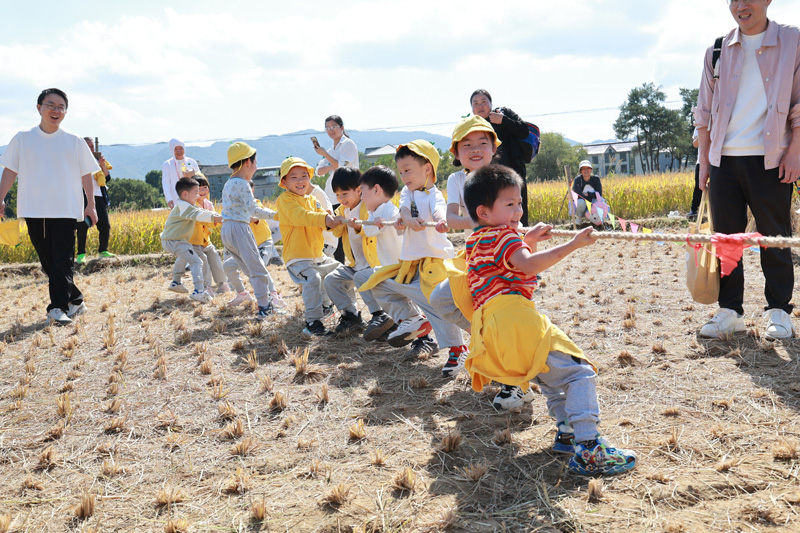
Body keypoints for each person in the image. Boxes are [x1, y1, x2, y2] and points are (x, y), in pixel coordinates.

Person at [462, 164, 636, 476]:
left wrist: (529, 239)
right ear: (484, 211)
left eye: (519, 202)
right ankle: (589, 447)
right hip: (516, 318)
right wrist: (573, 244)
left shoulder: (476, 240)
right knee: (578, 372)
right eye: (510, 204)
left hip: (491, 327)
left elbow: (511, 268)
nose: (518, 209)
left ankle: (568, 433)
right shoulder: (503, 236)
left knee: (550, 380)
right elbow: (527, 266)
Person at [694, 0, 800, 339]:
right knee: (726, 242)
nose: (741, 5)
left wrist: (795, 152)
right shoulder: (717, 50)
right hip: (723, 161)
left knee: (775, 238)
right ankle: (730, 310)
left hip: (771, 159)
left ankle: (780, 311)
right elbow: (703, 112)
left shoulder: (792, 42)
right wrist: (705, 161)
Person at [359, 141, 467, 376]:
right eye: (401, 172)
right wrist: (406, 219)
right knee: (377, 282)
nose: (403, 176)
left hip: (435, 262)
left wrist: (441, 221)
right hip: (410, 264)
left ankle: (458, 349)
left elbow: (440, 210)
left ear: (427, 168)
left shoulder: (434, 195)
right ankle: (413, 320)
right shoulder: (407, 193)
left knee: (438, 305)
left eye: (407, 170)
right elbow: (405, 209)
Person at [0, 88, 100, 326]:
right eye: (51, 105)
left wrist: (91, 205)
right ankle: (75, 298)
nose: (56, 111)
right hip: (34, 209)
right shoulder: (23, 138)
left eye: (61, 107)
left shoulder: (74, 140)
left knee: (62, 259)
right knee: (48, 262)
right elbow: (10, 170)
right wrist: (1, 197)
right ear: (39, 108)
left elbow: (87, 174)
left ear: (65, 111)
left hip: (66, 208)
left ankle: (57, 308)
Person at [275, 157, 342, 335]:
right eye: (294, 177)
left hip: (317, 256)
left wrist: (337, 221)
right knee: (312, 280)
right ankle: (313, 324)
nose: (300, 180)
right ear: (284, 182)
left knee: (342, 273)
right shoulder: (285, 200)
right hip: (298, 257)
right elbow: (301, 216)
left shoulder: (313, 200)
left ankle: (350, 314)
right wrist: (324, 219)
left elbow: (323, 217)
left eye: (304, 176)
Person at [220, 142, 280, 320]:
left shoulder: (229, 183)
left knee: (249, 268)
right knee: (258, 269)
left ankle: (265, 302)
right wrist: (275, 215)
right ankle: (264, 307)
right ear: (247, 162)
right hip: (240, 228)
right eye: (255, 161)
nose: (256, 165)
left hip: (227, 229)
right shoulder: (243, 183)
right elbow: (253, 209)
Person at [323, 167, 378, 336]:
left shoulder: (367, 207)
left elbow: (371, 230)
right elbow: (338, 234)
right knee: (331, 280)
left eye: (344, 193)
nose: (341, 198)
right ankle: (351, 315)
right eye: (337, 195)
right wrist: (337, 223)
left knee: (366, 282)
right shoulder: (341, 210)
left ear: (359, 190)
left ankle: (379, 316)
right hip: (354, 265)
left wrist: (359, 226)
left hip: (372, 264)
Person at [354, 165, 404, 342]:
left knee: (402, 300)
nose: (361, 197)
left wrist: (386, 222)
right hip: (387, 269)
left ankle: (401, 323)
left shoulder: (390, 211)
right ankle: (381, 316)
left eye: (362, 192)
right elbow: (368, 230)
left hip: (400, 270)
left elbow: (371, 230)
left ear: (376, 189)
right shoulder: (374, 212)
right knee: (360, 277)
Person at [470, 89, 531, 226]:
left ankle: (523, 244)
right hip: (488, 178)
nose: (480, 106)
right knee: (494, 213)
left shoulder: (504, 114)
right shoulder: (472, 127)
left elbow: (524, 131)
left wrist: (504, 121)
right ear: (472, 108)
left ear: (491, 104)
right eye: (475, 103)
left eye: (484, 101)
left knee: (518, 212)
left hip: (514, 173)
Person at [222, 181, 286, 308]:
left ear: (251, 191)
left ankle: (273, 296)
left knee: (259, 267)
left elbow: (254, 216)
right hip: (246, 248)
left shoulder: (255, 204)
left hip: (263, 244)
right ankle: (242, 293)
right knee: (228, 266)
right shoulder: (233, 208)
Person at [160, 177, 221, 303]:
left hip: (177, 241)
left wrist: (216, 217)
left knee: (184, 256)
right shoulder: (184, 206)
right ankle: (199, 290)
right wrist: (216, 218)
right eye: (196, 192)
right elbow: (199, 214)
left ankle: (176, 282)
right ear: (185, 194)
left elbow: (199, 211)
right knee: (197, 262)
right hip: (174, 241)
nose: (198, 195)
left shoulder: (187, 205)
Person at [315, 115, 359, 263]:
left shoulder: (348, 144)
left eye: (334, 127)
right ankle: (340, 265)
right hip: (333, 196)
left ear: (342, 127)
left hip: (350, 194)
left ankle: (357, 263)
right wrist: (330, 163)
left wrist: (326, 156)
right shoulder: (330, 149)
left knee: (352, 231)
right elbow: (319, 171)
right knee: (337, 233)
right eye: (328, 128)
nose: (331, 130)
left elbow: (341, 166)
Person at [185, 176, 230, 296]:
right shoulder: (191, 206)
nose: (203, 191)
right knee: (203, 260)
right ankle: (206, 286)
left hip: (205, 240)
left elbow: (213, 224)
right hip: (193, 241)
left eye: (205, 187)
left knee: (214, 256)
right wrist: (215, 219)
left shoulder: (208, 204)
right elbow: (202, 219)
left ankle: (222, 283)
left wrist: (216, 220)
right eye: (199, 188)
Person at [76, 137, 115, 264]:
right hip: (84, 196)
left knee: (105, 225)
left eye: (92, 147)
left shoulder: (98, 161)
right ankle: (81, 254)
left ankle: (103, 250)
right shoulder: (77, 161)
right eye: (88, 147)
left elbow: (107, 179)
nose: (91, 149)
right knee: (82, 226)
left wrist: (102, 164)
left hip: (99, 196)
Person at [162, 138, 199, 208]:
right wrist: (169, 199)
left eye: (181, 148)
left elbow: (200, 178)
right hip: (175, 198)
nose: (179, 151)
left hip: (192, 197)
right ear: (172, 150)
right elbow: (165, 183)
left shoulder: (192, 162)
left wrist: (193, 175)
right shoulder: (167, 164)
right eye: (176, 149)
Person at [571, 161, 604, 226]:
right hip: (583, 203)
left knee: (601, 200)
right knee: (580, 201)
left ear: (591, 170)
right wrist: (590, 197)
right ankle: (579, 218)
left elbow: (599, 194)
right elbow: (578, 195)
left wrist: (588, 194)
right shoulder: (577, 180)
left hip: (593, 202)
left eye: (588, 168)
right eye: (583, 168)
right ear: (580, 171)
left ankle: (597, 220)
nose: (586, 170)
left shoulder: (596, 179)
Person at [686, 128, 702, 219]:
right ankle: (694, 209)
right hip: (701, 161)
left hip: (715, 159)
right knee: (698, 186)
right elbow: (695, 144)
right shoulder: (698, 127)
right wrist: (704, 131)